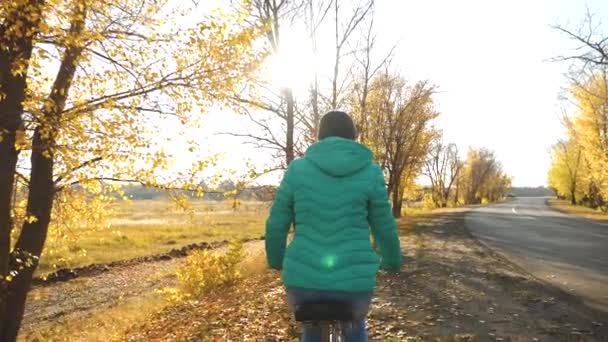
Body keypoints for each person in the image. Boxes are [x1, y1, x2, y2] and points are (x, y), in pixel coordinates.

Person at [265, 111, 402, 342]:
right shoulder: (370, 172)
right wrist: (392, 261)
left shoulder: (297, 170)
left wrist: (276, 261)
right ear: (354, 137)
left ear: (319, 137)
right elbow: (384, 226)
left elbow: (277, 223)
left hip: (303, 280)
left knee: (311, 330)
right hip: (355, 280)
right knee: (355, 326)